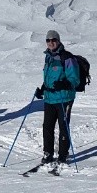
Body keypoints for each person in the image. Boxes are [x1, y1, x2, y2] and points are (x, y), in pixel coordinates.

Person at [33, 31, 80, 171]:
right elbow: (49, 77)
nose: (51, 42)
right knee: (47, 126)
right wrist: (42, 89)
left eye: (54, 40)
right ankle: (48, 153)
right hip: (49, 98)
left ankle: (63, 155)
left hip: (64, 98)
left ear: (58, 41)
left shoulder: (67, 58)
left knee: (63, 126)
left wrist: (65, 84)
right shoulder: (48, 57)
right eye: (48, 40)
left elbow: (75, 79)